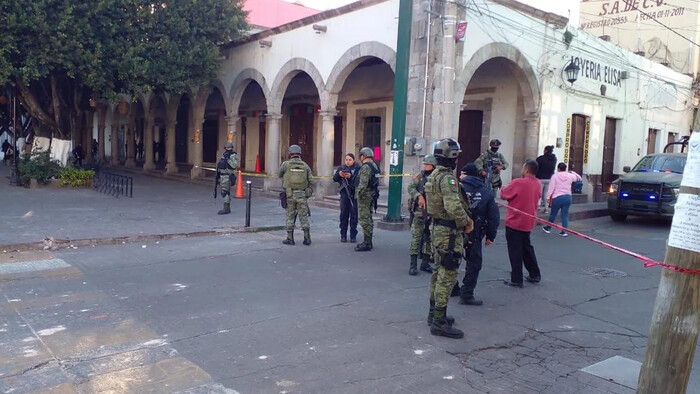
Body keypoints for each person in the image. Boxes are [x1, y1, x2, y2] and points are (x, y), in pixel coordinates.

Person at [424, 138, 474, 339]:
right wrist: (467, 222)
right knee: (447, 274)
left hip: (437, 229)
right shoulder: (447, 179)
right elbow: (453, 207)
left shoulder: (434, 175)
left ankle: (433, 314)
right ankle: (439, 322)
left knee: (438, 272)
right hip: (449, 233)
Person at [457, 163, 500, 306]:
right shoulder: (486, 191)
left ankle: (451, 288)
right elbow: (493, 216)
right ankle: (466, 294)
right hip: (475, 233)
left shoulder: (455, 188)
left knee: (450, 260)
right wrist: (490, 236)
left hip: (454, 231)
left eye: (462, 173)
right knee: (474, 263)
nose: (459, 176)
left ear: (466, 174)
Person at [500, 160, 542, 288]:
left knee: (515, 250)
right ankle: (535, 274)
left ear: (527, 169)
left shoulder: (518, 182)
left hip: (515, 221)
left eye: (523, 168)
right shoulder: (538, 183)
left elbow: (504, 194)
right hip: (528, 221)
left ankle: (516, 279)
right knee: (527, 248)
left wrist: (503, 187)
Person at [407, 154, 437, 275]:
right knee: (416, 238)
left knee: (429, 239)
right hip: (420, 212)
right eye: (424, 164)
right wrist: (418, 196)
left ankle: (425, 263)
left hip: (433, 212)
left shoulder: (437, 177)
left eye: (427, 164)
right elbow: (410, 187)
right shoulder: (420, 176)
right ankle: (413, 265)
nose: (425, 166)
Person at [279, 144, 313, 246]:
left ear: (290, 154)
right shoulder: (305, 165)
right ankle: (307, 238)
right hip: (302, 195)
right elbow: (311, 180)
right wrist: (308, 192)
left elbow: (279, 174)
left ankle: (290, 238)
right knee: (303, 216)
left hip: (290, 194)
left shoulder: (285, 164)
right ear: (300, 153)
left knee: (290, 216)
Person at [542, 162, 582, 237]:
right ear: (565, 169)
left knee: (553, 214)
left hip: (557, 197)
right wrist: (573, 172)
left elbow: (551, 188)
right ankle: (564, 231)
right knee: (565, 215)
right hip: (567, 197)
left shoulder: (555, 176)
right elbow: (579, 178)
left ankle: (548, 228)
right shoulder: (570, 176)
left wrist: (548, 197)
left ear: (558, 168)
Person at [354, 147, 380, 252]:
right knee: (369, 218)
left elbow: (363, 184)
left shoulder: (365, 167)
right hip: (372, 195)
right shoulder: (375, 166)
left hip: (364, 197)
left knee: (364, 219)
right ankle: (368, 241)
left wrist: (357, 195)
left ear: (362, 156)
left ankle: (367, 242)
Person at [333, 153, 360, 243]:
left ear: (353, 160)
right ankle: (343, 235)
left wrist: (350, 176)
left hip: (354, 195)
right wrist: (339, 174)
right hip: (344, 195)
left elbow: (359, 179)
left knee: (354, 216)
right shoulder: (341, 168)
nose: (348, 162)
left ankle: (353, 236)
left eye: (350, 160)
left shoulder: (357, 168)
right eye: (346, 160)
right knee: (344, 215)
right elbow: (335, 178)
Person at [216, 142, 238, 215]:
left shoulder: (232, 155)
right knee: (224, 192)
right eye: (227, 148)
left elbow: (234, 165)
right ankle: (227, 208)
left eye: (229, 148)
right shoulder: (224, 154)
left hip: (227, 176)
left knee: (225, 192)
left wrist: (228, 159)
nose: (228, 149)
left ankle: (226, 208)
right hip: (222, 175)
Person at [536, 145, 557, 214]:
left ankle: (538, 206)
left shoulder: (540, 159)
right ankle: (546, 208)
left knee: (539, 192)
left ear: (546, 151)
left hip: (540, 178)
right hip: (549, 178)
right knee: (546, 194)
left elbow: (536, 168)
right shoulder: (554, 159)